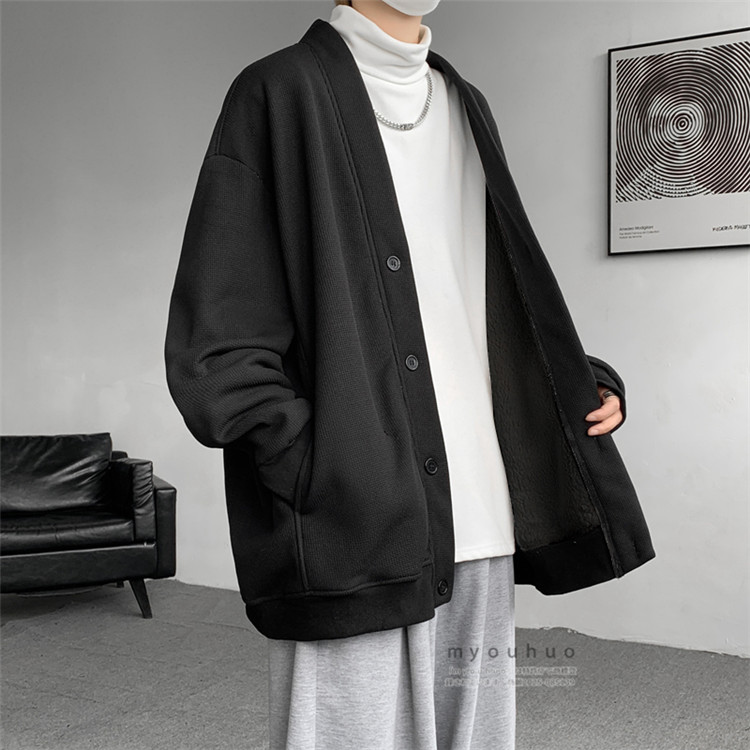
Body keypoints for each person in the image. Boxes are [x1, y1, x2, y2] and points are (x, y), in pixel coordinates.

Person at [164, 1, 655, 747]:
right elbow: (218, 341)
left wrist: (572, 381)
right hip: (353, 520)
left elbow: (473, 300)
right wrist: (321, 464)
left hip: (483, 511)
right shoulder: (277, 92)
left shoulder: (466, 104)